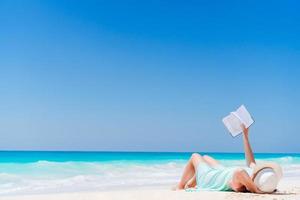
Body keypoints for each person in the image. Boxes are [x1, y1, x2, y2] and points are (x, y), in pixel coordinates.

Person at [175, 125, 282, 193]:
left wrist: (255, 190)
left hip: (211, 179)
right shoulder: (252, 173)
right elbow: (251, 161)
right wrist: (245, 135)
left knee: (195, 155)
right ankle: (193, 182)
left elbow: (239, 172)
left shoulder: (241, 184)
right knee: (206, 157)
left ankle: (180, 187)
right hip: (222, 171)